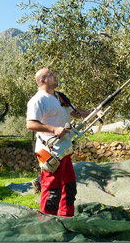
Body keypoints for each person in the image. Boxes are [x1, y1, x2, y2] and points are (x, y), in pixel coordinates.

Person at [27, 68, 91, 217]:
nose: (55, 76)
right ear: (42, 81)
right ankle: (47, 224)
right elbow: (30, 124)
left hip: (63, 149)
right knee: (52, 190)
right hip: (49, 151)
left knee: (69, 186)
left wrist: (94, 112)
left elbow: (75, 112)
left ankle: (66, 218)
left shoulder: (60, 97)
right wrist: (53, 129)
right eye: (51, 75)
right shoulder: (38, 100)